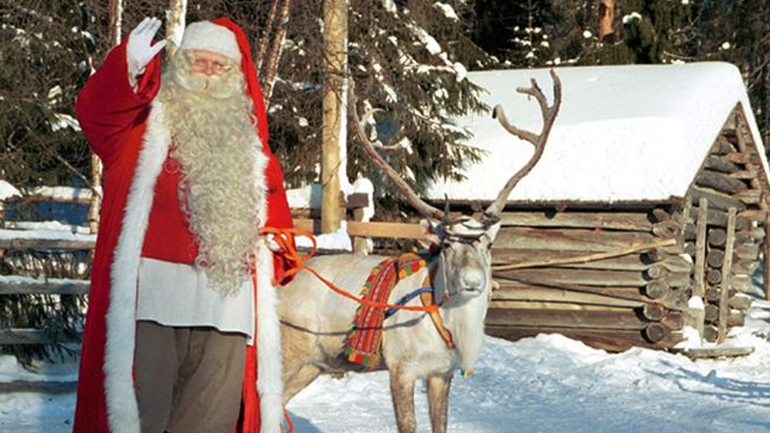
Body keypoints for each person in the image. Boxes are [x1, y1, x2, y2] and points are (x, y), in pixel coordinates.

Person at [72, 16, 294, 433]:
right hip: (153, 300)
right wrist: (128, 67)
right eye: (198, 62)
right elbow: (96, 114)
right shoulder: (138, 131)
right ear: (180, 66)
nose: (208, 74)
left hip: (228, 311)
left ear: (236, 76)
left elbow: (275, 216)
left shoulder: (252, 150)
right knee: (142, 418)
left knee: (209, 424)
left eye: (219, 65)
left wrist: (281, 247)